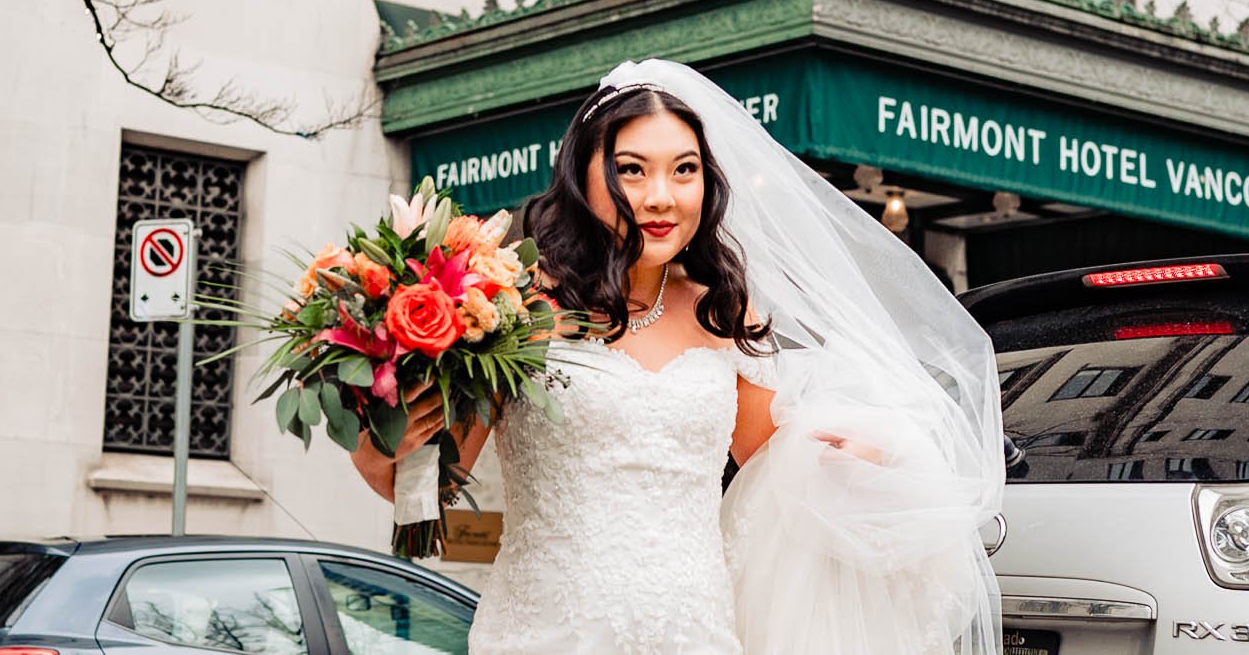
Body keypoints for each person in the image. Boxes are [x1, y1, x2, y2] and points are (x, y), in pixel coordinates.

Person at [350, 60, 1004, 655]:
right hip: (546, 630)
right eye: (632, 169)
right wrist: (379, 448)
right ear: (584, 176)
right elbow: (426, 502)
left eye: (683, 170)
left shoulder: (725, 310)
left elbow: (768, 464)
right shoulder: (515, 308)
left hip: (696, 632)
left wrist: (856, 457)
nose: (661, 196)